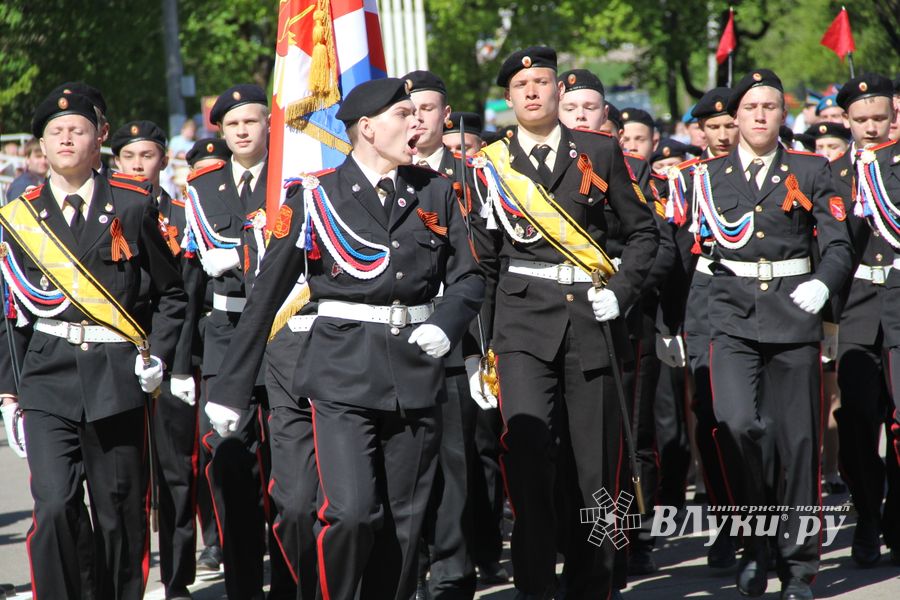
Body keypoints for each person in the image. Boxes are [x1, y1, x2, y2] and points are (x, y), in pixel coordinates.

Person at [205, 76, 485, 599]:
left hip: (415, 373)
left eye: (417, 114)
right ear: (367, 129)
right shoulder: (314, 196)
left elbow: (470, 277)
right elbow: (265, 296)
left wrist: (445, 326)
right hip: (342, 374)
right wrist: (230, 388)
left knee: (404, 524)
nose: (418, 123)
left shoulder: (436, 191)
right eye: (404, 115)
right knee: (353, 513)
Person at [475, 46, 658, 599]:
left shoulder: (599, 152)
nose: (533, 92)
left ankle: (592, 587)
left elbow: (645, 233)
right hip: (522, 327)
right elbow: (481, 262)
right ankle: (534, 587)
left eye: (543, 82)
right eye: (521, 85)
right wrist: (476, 351)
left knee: (596, 473)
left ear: (559, 91)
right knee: (529, 464)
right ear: (508, 99)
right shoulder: (489, 165)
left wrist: (622, 292)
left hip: (590, 323)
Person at [0, 89, 186, 600]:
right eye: (55, 132)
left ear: (99, 137)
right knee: (55, 504)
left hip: (116, 377)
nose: (66, 138)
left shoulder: (133, 202)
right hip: (47, 376)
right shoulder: (21, 216)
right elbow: (10, 310)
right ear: (40, 145)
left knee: (120, 510)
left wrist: (160, 358)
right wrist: (8, 393)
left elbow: (172, 294)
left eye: (77, 129)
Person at [703, 69, 852, 600]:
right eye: (751, 107)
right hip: (732, 317)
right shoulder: (708, 176)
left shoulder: (811, 171)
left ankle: (797, 566)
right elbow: (696, 258)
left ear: (782, 115)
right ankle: (753, 543)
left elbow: (838, 244)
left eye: (770, 106)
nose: (761, 115)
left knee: (798, 442)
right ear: (735, 116)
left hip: (793, 315)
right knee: (738, 425)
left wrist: (823, 284)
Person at [179, 84, 293, 600]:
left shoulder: (290, 180)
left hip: (283, 334)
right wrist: (182, 362)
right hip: (226, 338)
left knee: (290, 472)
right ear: (220, 133)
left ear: (268, 125)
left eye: (251, 121)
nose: (243, 131)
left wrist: (246, 253)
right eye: (233, 125)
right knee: (230, 465)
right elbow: (189, 287)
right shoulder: (204, 189)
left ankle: (291, 581)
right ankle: (244, 585)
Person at [110, 120, 199, 600]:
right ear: (117, 162)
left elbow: (184, 297)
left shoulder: (184, 215)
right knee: (127, 480)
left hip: (172, 354)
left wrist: (179, 365)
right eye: (130, 157)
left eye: (147, 155)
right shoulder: (110, 213)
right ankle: (131, 580)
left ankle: (178, 579)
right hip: (122, 357)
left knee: (176, 473)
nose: (139, 164)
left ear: (164, 159)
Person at [667, 85, 742, 570]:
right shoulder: (688, 180)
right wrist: (672, 322)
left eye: (728, 124)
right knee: (712, 417)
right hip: (704, 307)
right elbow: (674, 256)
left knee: (757, 422)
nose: (720, 134)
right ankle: (726, 523)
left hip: (761, 303)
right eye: (711, 127)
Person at [831, 74, 900, 567]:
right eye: (861, 120)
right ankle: (867, 514)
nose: (871, 128)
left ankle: (896, 514)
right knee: (856, 417)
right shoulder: (832, 173)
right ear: (846, 121)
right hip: (854, 301)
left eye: (880, 118)